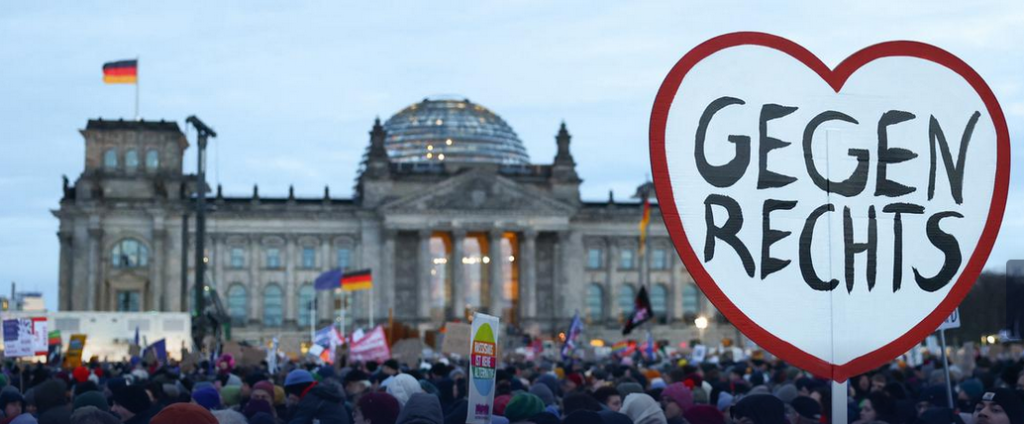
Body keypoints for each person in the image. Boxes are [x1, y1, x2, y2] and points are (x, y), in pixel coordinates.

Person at [283, 369, 350, 424]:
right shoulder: (320, 393)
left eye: (290, 392)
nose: (290, 396)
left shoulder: (311, 399)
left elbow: (299, 420)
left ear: (296, 389)